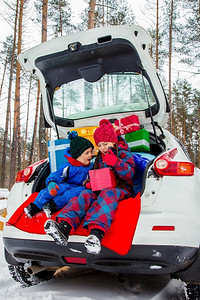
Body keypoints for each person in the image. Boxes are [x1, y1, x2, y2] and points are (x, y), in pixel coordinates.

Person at [44, 119, 135, 254]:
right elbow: (93, 174)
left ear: (114, 141)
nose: (103, 148)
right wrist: (89, 183)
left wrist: (116, 162)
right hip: (101, 187)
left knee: (107, 194)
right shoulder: (99, 157)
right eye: (99, 145)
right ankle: (64, 227)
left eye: (105, 144)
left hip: (121, 189)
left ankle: (96, 234)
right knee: (85, 194)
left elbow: (129, 174)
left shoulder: (123, 153)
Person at [24, 131, 94, 218]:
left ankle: (52, 205)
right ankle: (34, 206)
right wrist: (52, 182)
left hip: (80, 188)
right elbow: (58, 174)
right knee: (55, 189)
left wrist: (90, 184)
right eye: (87, 153)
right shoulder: (68, 167)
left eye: (91, 152)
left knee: (73, 193)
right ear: (77, 155)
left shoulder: (91, 167)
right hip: (66, 184)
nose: (91, 155)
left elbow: (94, 178)